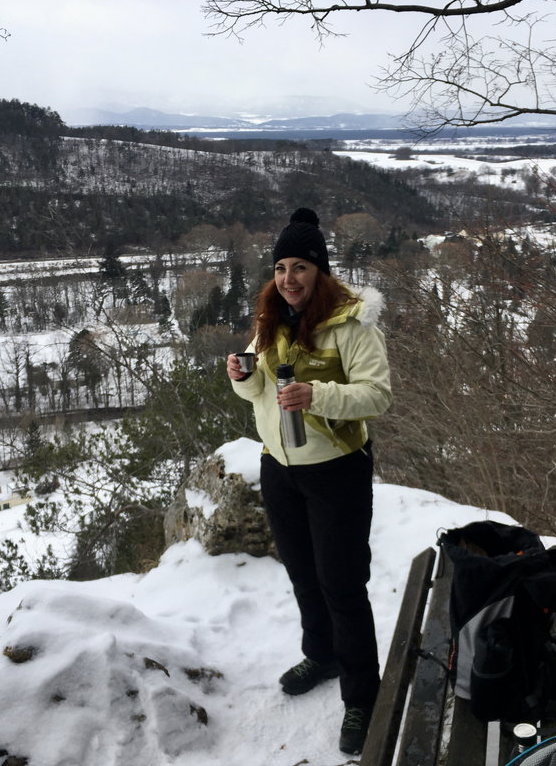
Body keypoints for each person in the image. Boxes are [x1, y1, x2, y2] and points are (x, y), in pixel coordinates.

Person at [226, 207, 392, 755]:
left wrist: (317, 396)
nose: (288, 278)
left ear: (319, 269)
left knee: (342, 584)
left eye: (300, 266)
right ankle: (322, 655)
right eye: (280, 267)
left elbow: (376, 396)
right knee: (303, 575)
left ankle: (362, 695)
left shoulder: (351, 322)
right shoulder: (269, 320)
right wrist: (243, 377)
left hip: (337, 471)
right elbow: (256, 394)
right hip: (280, 467)